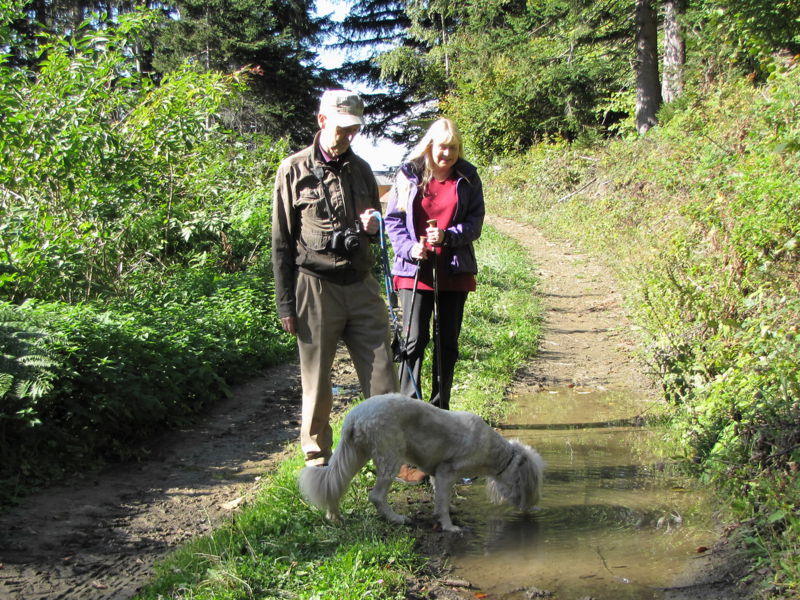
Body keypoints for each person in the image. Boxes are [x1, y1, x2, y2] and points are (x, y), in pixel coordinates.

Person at [271, 89, 397, 467]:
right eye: (342, 127)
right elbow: (281, 242)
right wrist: (286, 303)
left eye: (354, 128)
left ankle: (389, 452)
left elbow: (374, 225)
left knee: (382, 373)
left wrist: (373, 227)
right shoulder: (292, 170)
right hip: (314, 286)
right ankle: (317, 456)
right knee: (317, 380)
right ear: (322, 120)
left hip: (361, 283)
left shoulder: (362, 170)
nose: (348, 135)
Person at [384, 118, 485, 411]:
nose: (448, 154)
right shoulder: (408, 175)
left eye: (453, 148)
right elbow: (393, 220)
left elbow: (475, 223)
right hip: (414, 270)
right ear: (430, 146)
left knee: (447, 344)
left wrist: (447, 236)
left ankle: (440, 410)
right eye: (443, 148)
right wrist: (408, 248)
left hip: (454, 270)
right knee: (413, 341)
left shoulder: (468, 177)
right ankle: (409, 411)